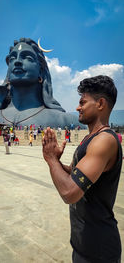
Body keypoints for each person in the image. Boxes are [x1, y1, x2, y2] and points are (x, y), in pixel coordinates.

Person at [42, 75, 122, 263]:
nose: (78, 107)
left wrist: (52, 160)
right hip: (83, 243)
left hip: (99, 249)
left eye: (82, 102)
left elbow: (70, 192)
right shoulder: (90, 139)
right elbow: (75, 174)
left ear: (100, 103)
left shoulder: (104, 140)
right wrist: (55, 161)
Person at [0, 38, 82, 129]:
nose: (17, 62)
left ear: (41, 71)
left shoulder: (67, 120)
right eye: (12, 58)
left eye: (28, 58)